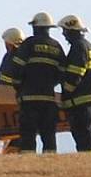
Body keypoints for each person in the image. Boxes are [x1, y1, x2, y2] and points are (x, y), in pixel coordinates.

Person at [7, 12, 66, 152]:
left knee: (28, 135)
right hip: (48, 99)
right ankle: (49, 164)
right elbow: (63, 73)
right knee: (49, 136)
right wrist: (50, 84)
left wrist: (19, 87)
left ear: (35, 27)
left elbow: (16, 69)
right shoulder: (57, 47)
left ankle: (28, 164)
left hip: (28, 99)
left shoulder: (28, 44)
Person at [58, 14, 91, 152]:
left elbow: (75, 74)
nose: (63, 34)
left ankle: (90, 162)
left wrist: (66, 92)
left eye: (64, 31)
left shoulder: (79, 47)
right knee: (87, 134)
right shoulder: (87, 46)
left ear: (71, 30)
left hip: (80, 102)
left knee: (83, 135)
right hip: (86, 100)